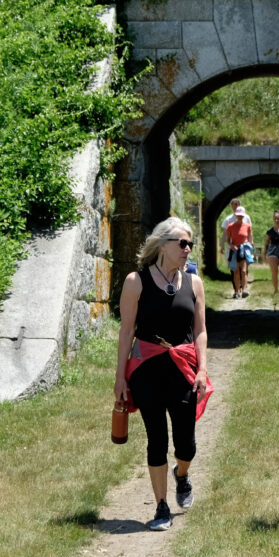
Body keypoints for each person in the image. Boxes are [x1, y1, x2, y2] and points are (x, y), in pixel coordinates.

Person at [115, 217, 211, 531]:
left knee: (187, 445)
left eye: (190, 244)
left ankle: (181, 474)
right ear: (162, 244)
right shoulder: (135, 281)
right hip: (147, 370)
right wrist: (121, 377)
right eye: (182, 243)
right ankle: (161, 506)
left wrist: (203, 369)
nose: (188, 249)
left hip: (183, 370)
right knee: (156, 439)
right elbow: (126, 330)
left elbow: (200, 331)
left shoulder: (194, 282)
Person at [220, 198, 252, 296]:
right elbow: (225, 234)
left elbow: (250, 232)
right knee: (235, 271)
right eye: (234, 204)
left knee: (244, 270)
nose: (236, 206)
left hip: (244, 248)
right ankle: (236, 290)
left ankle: (244, 289)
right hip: (233, 248)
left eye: (237, 204)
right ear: (231, 206)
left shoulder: (246, 218)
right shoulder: (228, 220)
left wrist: (251, 245)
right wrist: (222, 245)